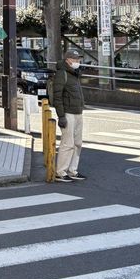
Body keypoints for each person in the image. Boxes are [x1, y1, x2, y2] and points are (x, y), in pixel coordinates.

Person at [51, 49, 86, 182]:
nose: (78, 62)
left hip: (78, 112)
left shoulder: (74, 73)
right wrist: (61, 116)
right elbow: (57, 97)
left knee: (77, 143)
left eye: (78, 60)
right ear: (68, 60)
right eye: (75, 60)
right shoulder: (62, 74)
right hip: (68, 113)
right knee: (67, 143)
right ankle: (61, 171)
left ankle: (72, 170)